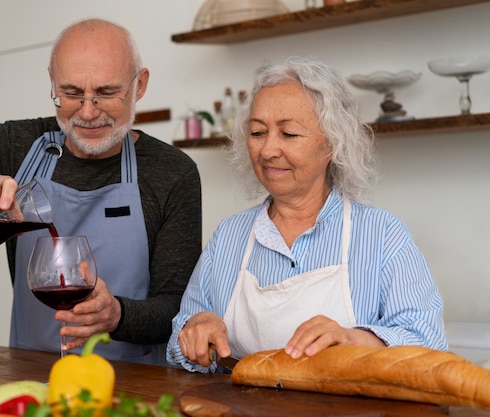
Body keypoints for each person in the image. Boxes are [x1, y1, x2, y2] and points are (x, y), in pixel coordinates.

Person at [0, 18, 202, 366]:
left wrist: (118, 314)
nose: (88, 112)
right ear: (51, 81)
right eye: (71, 93)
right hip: (30, 378)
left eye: (106, 93)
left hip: (136, 387)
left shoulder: (172, 172)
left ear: (139, 86)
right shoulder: (13, 146)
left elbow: (180, 307)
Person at [166, 56, 447, 373]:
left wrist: (354, 340)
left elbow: (429, 345)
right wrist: (195, 330)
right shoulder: (230, 236)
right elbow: (178, 342)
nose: (269, 150)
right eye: (258, 133)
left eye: (289, 134)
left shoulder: (381, 234)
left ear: (332, 144)